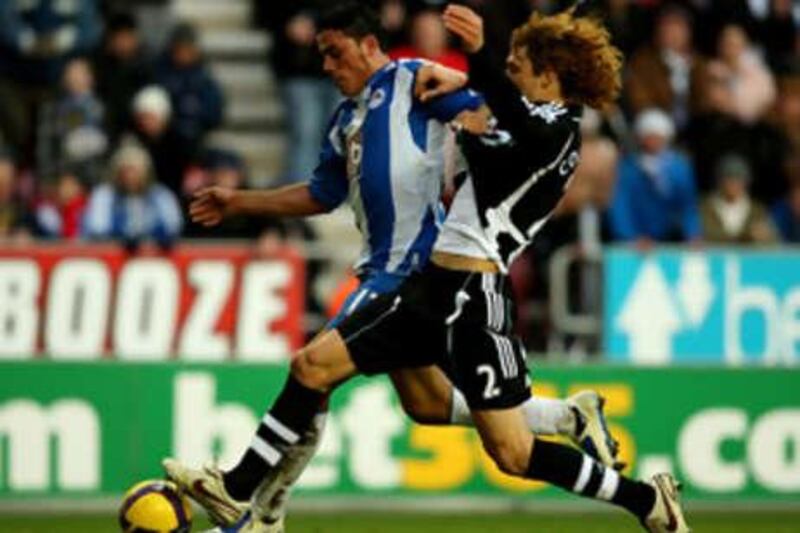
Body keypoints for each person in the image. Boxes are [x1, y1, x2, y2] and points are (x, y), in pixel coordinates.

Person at [180, 4, 690, 533]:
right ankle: (642, 496)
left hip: (473, 289)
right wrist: (467, 80)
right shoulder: (519, 120)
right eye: (509, 65)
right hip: (437, 288)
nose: (510, 72)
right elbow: (494, 116)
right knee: (385, 392)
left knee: (512, 453)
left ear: (548, 74)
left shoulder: (559, 129)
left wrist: (478, 58)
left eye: (518, 66)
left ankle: (244, 496)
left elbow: (514, 117)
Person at [608, 108, 702, 246]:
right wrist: (630, 237)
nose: (654, 141)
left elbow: (688, 206)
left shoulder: (679, 169)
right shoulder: (627, 169)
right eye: (650, 136)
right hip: (637, 243)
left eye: (658, 137)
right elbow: (620, 206)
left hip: (671, 239)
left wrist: (693, 234)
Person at [82, 142, 183, 250]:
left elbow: (173, 227)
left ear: (145, 172)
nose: (130, 177)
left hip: (154, 258)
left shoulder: (161, 196)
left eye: (134, 171)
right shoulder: (105, 195)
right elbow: (98, 229)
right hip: (115, 256)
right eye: (125, 171)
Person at [699, 154, 778, 244]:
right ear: (719, 180)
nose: (733, 183)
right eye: (728, 177)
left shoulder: (757, 211)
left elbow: (774, 242)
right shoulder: (705, 208)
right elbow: (702, 235)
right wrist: (745, 237)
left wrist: (764, 237)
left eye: (738, 178)